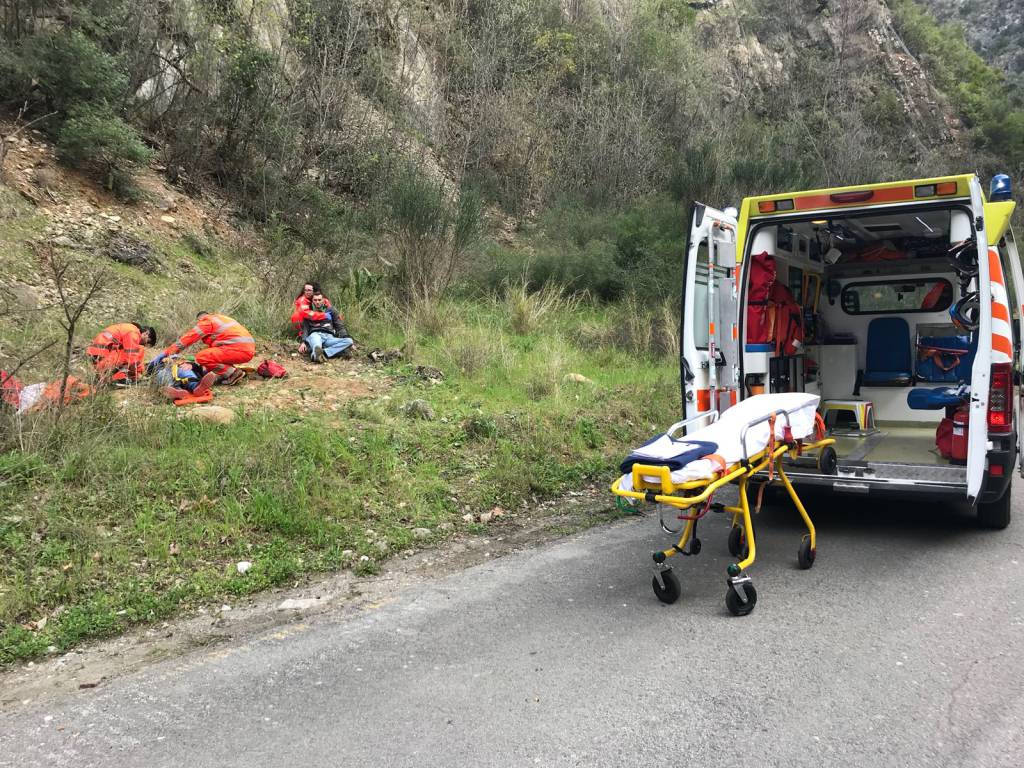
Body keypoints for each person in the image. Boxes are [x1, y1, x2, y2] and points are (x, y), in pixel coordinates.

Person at [149, 311, 254, 388]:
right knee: (207, 358)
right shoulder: (222, 318)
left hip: (237, 349)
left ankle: (232, 373)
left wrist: (169, 352)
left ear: (200, 319)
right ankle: (227, 373)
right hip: (247, 349)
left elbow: (187, 339)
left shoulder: (206, 321)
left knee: (202, 357)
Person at [85, 322, 157, 386]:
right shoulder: (133, 333)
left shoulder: (130, 328)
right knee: (135, 353)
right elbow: (131, 357)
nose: (144, 344)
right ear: (146, 333)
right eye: (147, 342)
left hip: (96, 352)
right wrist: (137, 374)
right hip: (102, 353)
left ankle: (104, 377)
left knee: (128, 355)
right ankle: (120, 378)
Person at [299, 290, 353, 363]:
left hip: (329, 337)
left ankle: (324, 353)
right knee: (317, 345)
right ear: (312, 301)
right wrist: (303, 342)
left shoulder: (331, 310)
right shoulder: (308, 312)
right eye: (315, 300)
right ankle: (317, 355)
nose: (317, 302)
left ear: (323, 300)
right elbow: (305, 329)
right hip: (315, 334)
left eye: (319, 300)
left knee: (349, 341)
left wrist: (345, 337)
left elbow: (339, 326)